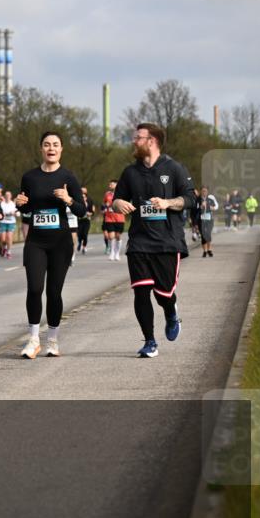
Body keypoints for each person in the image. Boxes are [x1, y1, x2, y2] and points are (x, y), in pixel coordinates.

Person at [111, 123, 195, 358]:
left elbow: (190, 199)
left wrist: (168, 203)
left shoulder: (174, 168)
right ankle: (149, 341)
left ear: (152, 141)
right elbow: (116, 200)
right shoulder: (130, 172)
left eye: (138, 137)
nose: (134, 141)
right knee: (141, 292)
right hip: (139, 241)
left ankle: (171, 312)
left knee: (163, 293)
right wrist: (119, 204)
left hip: (168, 241)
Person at [15, 132, 85, 358]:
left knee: (54, 293)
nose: (51, 148)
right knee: (35, 288)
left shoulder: (69, 177)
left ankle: (52, 340)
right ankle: (33, 339)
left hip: (60, 243)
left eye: (55, 145)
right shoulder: (29, 177)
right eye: (47, 145)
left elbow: (82, 211)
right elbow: (26, 208)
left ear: (61, 149)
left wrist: (69, 200)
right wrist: (20, 204)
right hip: (36, 241)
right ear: (41, 149)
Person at [102, 180, 125, 261]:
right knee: (111, 236)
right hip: (109, 218)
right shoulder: (107, 194)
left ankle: (117, 253)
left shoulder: (122, 193)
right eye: (109, 184)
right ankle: (112, 253)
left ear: (116, 185)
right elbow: (104, 204)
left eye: (112, 184)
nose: (110, 185)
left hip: (119, 218)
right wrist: (105, 206)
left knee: (118, 236)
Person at [197, 186, 219, 257]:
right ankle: (204, 251)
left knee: (208, 234)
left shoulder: (210, 199)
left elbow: (215, 207)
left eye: (205, 191)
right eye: (203, 191)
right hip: (201, 219)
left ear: (207, 192)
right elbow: (195, 208)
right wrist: (201, 206)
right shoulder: (197, 200)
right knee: (203, 235)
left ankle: (209, 249)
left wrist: (210, 207)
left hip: (209, 219)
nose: (204, 192)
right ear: (201, 192)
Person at [76, 187, 95, 255]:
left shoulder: (90, 201)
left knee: (85, 234)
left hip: (86, 220)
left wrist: (90, 213)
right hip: (79, 220)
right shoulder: (77, 202)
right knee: (79, 234)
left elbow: (93, 211)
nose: (83, 197)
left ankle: (84, 247)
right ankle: (79, 243)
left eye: (84, 196)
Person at [0, 191, 17, 259]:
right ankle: (4, 247)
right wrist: (2, 214)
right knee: (3, 239)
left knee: (9, 237)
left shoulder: (13, 204)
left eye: (9, 195)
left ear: (11, 196)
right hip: (3, 222)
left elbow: (17, 213)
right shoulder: (2, 204)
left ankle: (9, 251)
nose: (7, 196)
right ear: (4, 196)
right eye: (6, 195)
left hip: (11, 222)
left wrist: (14, 213)